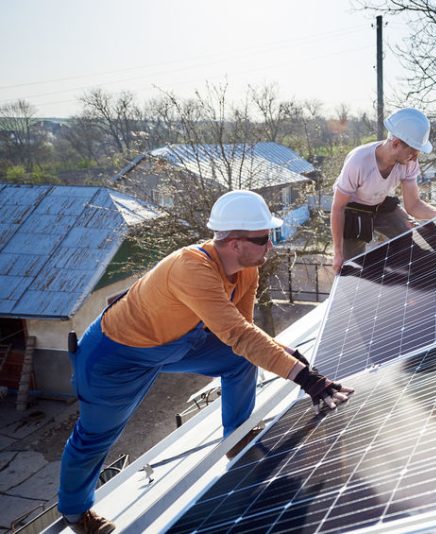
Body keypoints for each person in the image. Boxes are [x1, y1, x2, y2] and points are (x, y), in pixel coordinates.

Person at [58, 190, 353, 534]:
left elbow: (243, 333)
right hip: (116, 355)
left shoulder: (246, 269)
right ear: (233, 243)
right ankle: (76, 514)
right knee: (95, 437)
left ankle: (237, 440)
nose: (270, 246)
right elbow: (238, 335)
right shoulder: (191, 269)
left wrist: (290, 357)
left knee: (238, 361)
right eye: (262, 239)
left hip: (178, 341)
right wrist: (306, 379)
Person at [331, 107, 436, 272]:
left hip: (381, 204)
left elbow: (414, 206)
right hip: (352, 211)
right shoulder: (358, 162)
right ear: (396, 143)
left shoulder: (410, 163)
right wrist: (337, 252)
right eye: (412, 153)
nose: (415, 158)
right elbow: (338, 207)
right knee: (351, 267)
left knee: (410, 235)